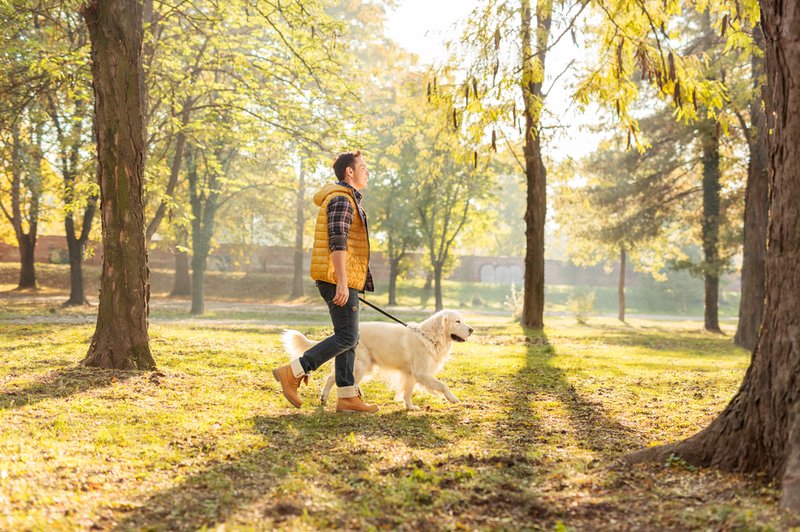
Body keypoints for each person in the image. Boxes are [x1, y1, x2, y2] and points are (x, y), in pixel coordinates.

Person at [273, 151, 378, 414]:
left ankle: (347, 396)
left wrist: (352, 281)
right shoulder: (342, 199)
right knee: (348, 336)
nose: (368, 171)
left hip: (343, 279)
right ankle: (294, 370)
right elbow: (338, 241)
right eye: (363, 167)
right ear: (349, 172)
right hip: (335, 279)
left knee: (350, 338)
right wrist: (343, 282)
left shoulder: (348, 198)